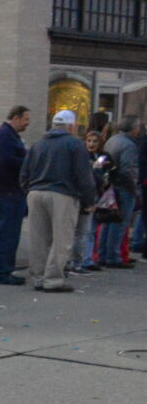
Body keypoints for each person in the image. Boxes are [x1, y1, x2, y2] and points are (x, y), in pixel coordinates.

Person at [21, 110, 97, 292]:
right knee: (61, 239)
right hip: (62, 194)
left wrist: (28, 190)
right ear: (71, 126)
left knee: (38, 238)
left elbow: (24, 172)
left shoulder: (38, 144)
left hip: (36, 192)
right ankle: (53, 279)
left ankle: (38, 277)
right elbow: (83, 175)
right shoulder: (74, 144)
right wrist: (89, 200)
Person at [0, 106, 31, 285]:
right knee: (8, 233)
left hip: (7, 190)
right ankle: (2, 271)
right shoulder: (5, 135)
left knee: (8, 233)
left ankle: (4, 269)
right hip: (7, 191)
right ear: (16, 117)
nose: (27, 123)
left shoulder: (7, 135)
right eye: (26, 119)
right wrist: (28, 160)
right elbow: (7, 160)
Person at [98, 116, 140, 268]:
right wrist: (134, 190)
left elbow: (103, 160)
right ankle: (113, 256)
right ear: (133, 128)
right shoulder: (129, 146)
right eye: (137, 127)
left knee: (108, 221)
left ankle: (102, 254)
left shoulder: (112, 140)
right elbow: (127, 170)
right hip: (123, 187)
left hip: (112, 185)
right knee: (120, 222)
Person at [74, 127, 107, 274]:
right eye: (89, 141)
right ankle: (81, 260)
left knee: (90, 230)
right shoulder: (82, 156)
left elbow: (101, 175)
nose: (91, 144)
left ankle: (87, 259)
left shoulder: (101, 157)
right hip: (85, 195)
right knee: (83, 230)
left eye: (95, 141)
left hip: (95, 194)